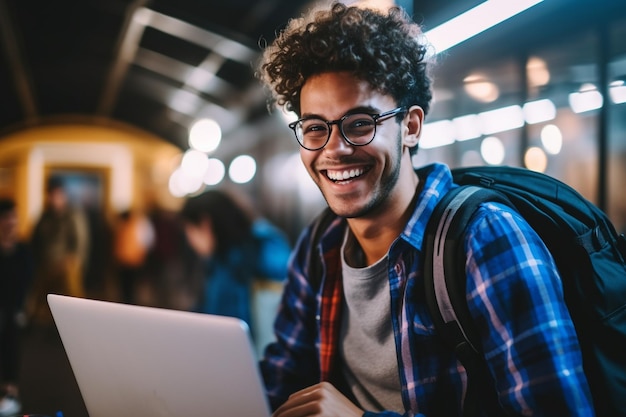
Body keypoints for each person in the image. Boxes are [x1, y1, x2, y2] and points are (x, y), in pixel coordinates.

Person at [256, 3, 593, 416]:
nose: (334, 149)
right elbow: (281, 380)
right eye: (314, 128)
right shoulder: (320, 243)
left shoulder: (485, 239)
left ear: (411, 127)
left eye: (360, 123)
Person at [180, 189, 292, 354]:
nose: (190, 241)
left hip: (256, 358)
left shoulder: (254, 252)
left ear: (206, 224)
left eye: (190, 231)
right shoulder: (222, 258)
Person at [28, 176, 90, 322]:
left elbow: (80, 242)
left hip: (66, 266)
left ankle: (78, 323)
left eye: (57, 194)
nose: (54, 198)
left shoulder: (73, 214)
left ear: (63, 195)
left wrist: (73, 261)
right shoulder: (44, 216)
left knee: (74, 300)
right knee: (42, 301)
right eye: (51, 194)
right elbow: (36, 242)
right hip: (46, 265)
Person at [0, 198, 34, 416]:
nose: (11, 222)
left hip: (14, 309)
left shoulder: (23, 250)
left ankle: (10, 390)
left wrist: (22, 308)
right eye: (6, 218)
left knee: (12, 347)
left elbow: (27, 280)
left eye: (14, 217)